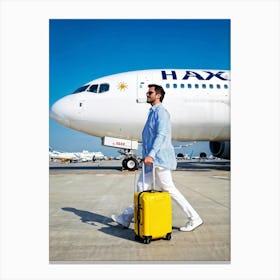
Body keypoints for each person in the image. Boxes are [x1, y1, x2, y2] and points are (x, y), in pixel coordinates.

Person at [111, 84, 203, 231]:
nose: (147, 94)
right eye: (148, 92)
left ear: (158, 95)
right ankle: (126, 217)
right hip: (151, 160)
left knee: (168, 189)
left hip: (159, 159)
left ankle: (194, 218)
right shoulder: (152, 112)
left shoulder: (162, 113)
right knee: (141, 188)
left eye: (150, 92)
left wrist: (151, 155)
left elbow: (162, 135)